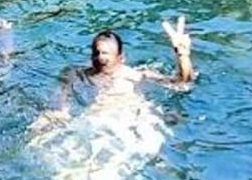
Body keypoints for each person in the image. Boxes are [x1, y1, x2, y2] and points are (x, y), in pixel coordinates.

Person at [43, 17, 196, 120]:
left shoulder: (135, 75)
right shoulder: (77, 74)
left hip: (129, 121)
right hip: (93, 120)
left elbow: (182, 82)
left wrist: (182, 55)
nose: (101, 58)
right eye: (97, 54)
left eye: (106, 55)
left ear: (121, 58)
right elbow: (58, 104)